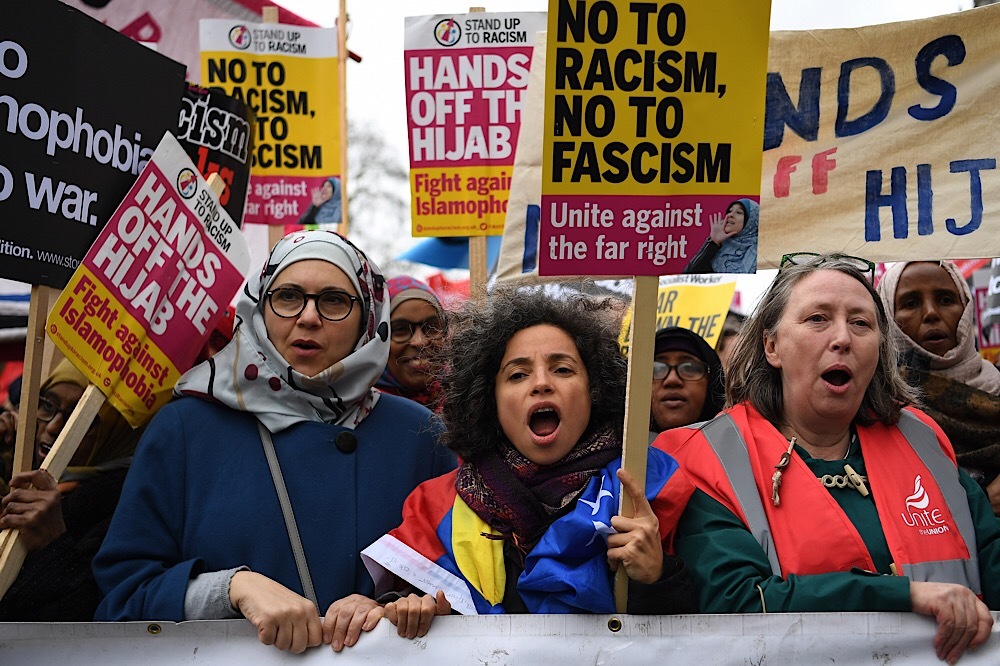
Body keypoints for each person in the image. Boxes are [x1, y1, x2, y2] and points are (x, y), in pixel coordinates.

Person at [93, 230, 455, 654]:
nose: (308, 317)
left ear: (369, 319)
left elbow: (463, 585)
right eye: (287, 296)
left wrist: (399, 606)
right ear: (259, 308)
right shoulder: (186, 428)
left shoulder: (419, 435)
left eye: (334, 301)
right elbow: (123, 596)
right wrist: (232, 589)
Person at [656, 253, 1000, 665]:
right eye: (818, 319)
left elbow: (990, 555)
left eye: (861, 323)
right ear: (771, 346)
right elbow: (738, 602)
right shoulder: (708, 455)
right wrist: (903, 595)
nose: (843, 338)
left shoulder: (922, 437)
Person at [359, 287, 698, 639]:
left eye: (562, 369)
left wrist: (658, 577)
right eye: (517, 375)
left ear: (594, 389)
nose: (541, 383)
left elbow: (707, 637)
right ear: (489, 398)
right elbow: (399, 605)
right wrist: (403, 607)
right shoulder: (434, 507)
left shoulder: (651, 487)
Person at [0, 360, 142, 620]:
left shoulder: (125, 510)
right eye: (47, 405)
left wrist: (52, 544)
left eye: (80, 418)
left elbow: (87, 619)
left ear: (114, 436)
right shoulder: (15, 465)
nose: (53, 427)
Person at [877, 260, 1000, 514]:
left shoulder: (995, 384)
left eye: (946, 300)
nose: (931, 313)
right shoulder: (879, 407)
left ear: (965, 309)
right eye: (911, 303)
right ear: (888, 316)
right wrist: (984, 503)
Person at [375, 276, 446, 407]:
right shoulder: (358, 411)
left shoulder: (467, 400)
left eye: (432, 327)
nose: (420, 341)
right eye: (400, 329)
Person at [649, 326, 725, 442]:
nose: (672, 380)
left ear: (712, 382)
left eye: (690, 368)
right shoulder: (620, 450)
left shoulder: (739, 447)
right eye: (656, 369)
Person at [682, 199, 759, 274]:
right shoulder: (718, 246)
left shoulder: (759, 254)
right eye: (730, 211)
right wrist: (713, 242)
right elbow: (688, 275)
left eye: (738, 212)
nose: (730, 215)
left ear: (751, 220)